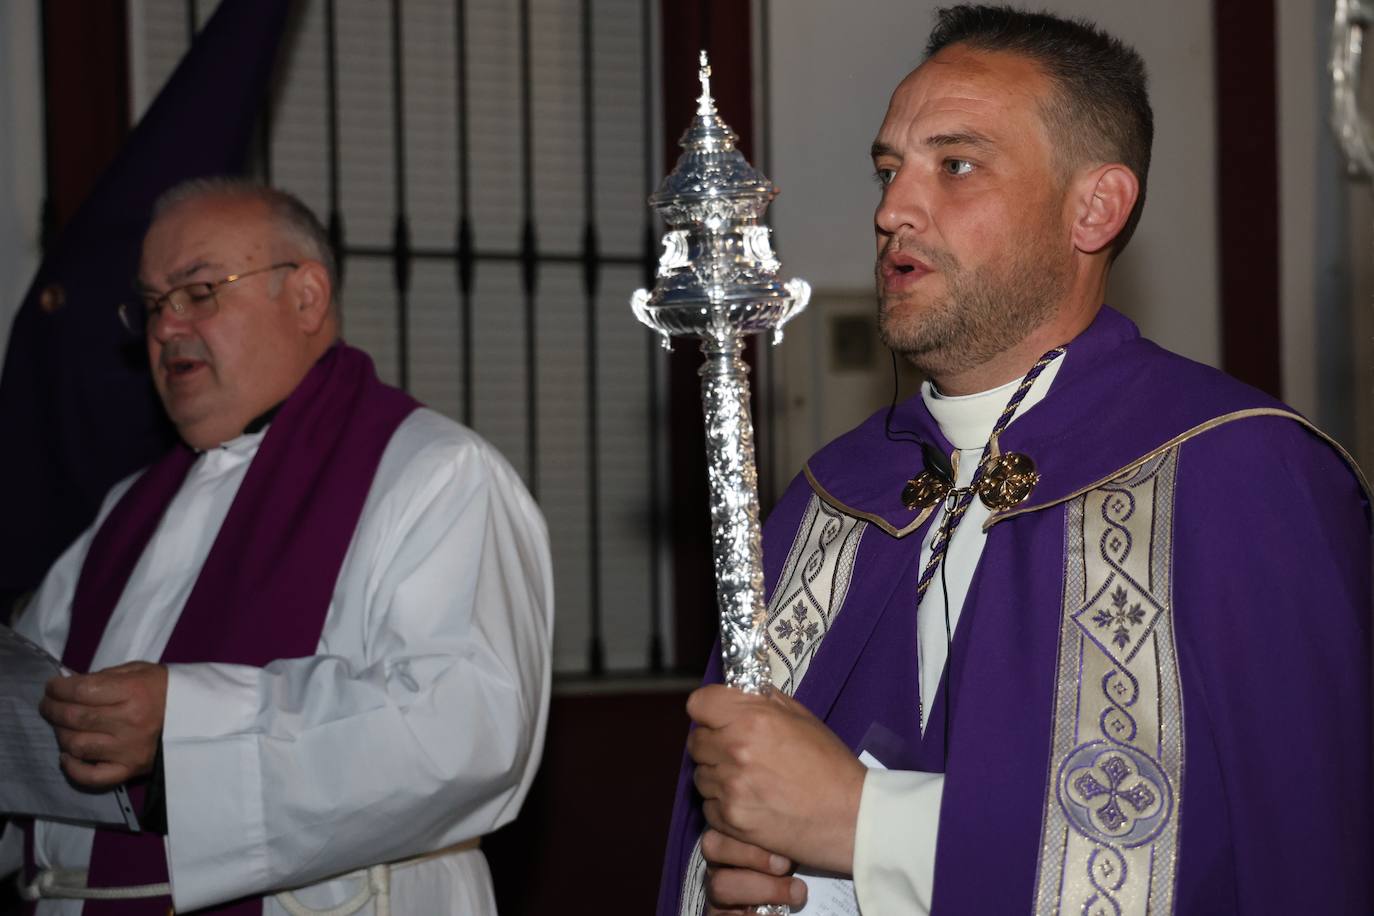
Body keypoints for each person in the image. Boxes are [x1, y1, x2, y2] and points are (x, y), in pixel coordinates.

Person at [659, 6, 1372, 915]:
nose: (891, 211)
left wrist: (864, 823)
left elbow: (1291, 851)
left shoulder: (1243, 480)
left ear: (1095, 208)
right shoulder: (833, 501)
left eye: (955, 165)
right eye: (889, 169)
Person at [0, 178, 553, 915]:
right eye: (154, 303)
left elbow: (467, 733)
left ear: (306, 298)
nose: (165, 327)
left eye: (198, 291)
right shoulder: (127, 510)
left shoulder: (432, 473)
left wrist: (184, 722)